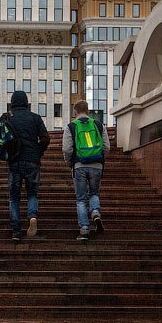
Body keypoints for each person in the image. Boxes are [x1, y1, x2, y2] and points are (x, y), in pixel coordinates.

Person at [5, 90, 49, 241]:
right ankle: (32, 215)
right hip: (32, 161)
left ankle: (16, 231)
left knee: (14, 197)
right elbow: (45, 138)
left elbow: (2, 140)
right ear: (26, 102)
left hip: (14, 161)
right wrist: (37, 151)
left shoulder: (8, 118)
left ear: (12, 103)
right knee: (32, 193)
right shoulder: (35, 118)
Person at [63, 100, 107, 240]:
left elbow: (67, 149)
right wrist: (99, 158)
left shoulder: (71, 127)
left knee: (81, 199)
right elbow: (106, 147)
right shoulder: (98, 125)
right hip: (97, 165)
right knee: (94, 193)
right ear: (88, 110)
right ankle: (95, 212)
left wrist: (70, 163)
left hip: (79, 165)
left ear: (75, 111)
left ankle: (84, 229)